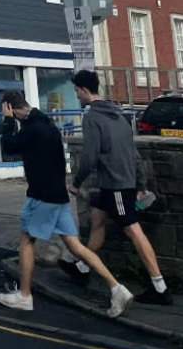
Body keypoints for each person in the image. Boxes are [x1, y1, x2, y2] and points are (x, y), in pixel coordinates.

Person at [0, 89, 133, 316]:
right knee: (76, 246)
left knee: (26, 240)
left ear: (9, 106)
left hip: (42, 196)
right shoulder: (46, 124)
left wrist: (7, 121)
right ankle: (117, 289)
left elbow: (8, 147)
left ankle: (24, 295)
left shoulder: (32, 129)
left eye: (5, 108)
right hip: (58, 195)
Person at [65, 69, 172, 306]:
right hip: (120, 183)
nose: (77, 96)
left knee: (133, 231)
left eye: (76, 91)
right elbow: (134, 154)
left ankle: (160, 287)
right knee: (98, 218)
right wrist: (141, 184)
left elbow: (90, 156)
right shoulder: (118, 115)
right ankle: (83, 267)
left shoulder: (92, 117)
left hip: (116, 185)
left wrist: (76, 182)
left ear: (84, 90)